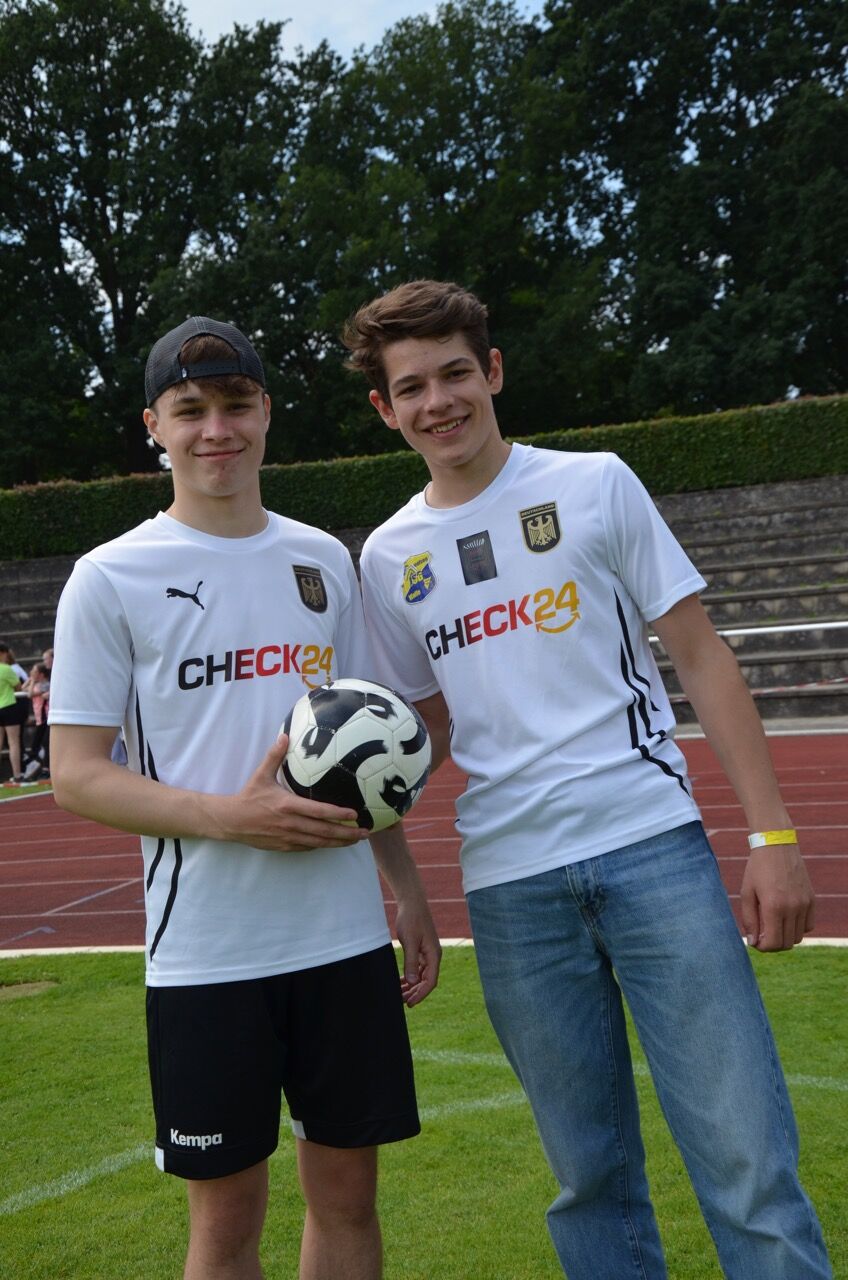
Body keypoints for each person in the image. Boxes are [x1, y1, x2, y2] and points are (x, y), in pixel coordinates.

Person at [343, 279, 832, 1280]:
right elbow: (404, 738)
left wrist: (772, 835)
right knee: (587, 1180)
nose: (438, 401)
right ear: (384, 409)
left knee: (747, 1161)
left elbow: (699, 655)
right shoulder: (388, 556)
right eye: (412, 387)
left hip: (649, 845)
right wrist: (403, 885)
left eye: (453, 373)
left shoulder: (594, 484)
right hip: (510, 887)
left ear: (491, 371)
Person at [49, 316, 440, 1280]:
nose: (215, 430)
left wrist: (407, 889)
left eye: (234, 405)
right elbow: (76, 774)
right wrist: (231, 817)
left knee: (348, 1201)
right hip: (207, 951)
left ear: (266, 410)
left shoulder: (322, 560)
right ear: (155, 426)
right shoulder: (110, 577)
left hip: (342, 940)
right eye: (190, 411)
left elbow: (363, 746)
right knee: (226, 1226)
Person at [0, 642, 24, 782]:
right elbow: (18, 687)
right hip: (8, 706)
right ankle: (17, 775)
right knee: (13, 742)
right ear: (3, 653)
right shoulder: (6, 668)